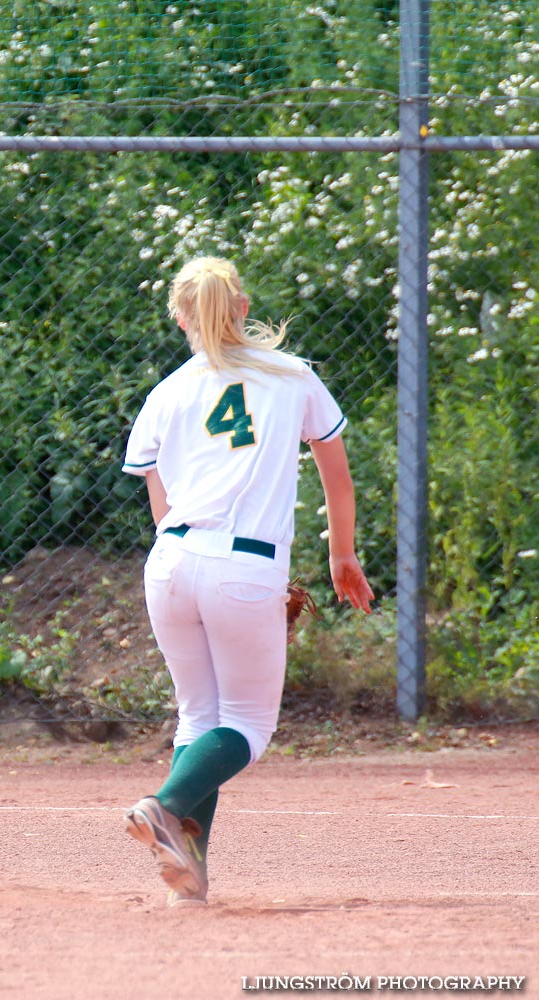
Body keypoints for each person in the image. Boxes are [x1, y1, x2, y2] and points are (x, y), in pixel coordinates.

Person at [120, 256, 375, 907]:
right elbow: (336, 476)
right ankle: (165, 805)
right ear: (242, 305)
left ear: (178, 316)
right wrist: (341, 556)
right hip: (246, 563)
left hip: (170, 562)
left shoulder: (165, 394)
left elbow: (161, 505)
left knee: (199, 720)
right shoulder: (292, 376)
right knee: (248, 727)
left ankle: (188, 880)